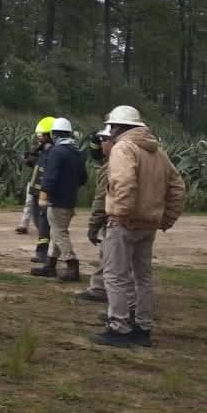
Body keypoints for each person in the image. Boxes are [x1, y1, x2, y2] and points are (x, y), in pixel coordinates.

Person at [93, 105, 187, 348]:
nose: (110, 131)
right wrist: (166, 219)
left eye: (112, 126)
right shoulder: (158, 153)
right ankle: (142, 327)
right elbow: (177, 187)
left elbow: (123, 182)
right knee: (143, 278)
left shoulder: (123, 148)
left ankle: (119, 327)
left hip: (125, 223)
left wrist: (120, 214)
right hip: (149, 224)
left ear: (118, 127)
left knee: (115, 276)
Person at [32, 117, 87, 281]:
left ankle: (72, 264)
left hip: (57, 200)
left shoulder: (56, 152)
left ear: (54, 135)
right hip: (70, 200)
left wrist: (43, 195)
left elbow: (50, 176)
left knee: (59, 233)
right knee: (57, 232)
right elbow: (83, 178)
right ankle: (50, 265)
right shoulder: (77, 152)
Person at [77, 128, 114, 303]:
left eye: (104, 140)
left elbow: (101, 200)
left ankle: (121, 304)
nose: (101, 145)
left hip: (115, 220)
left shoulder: (112, 167)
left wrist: (93, 226)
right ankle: (100, 287)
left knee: (111, 257)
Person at [25, 117, 55, 262]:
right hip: (35, 192)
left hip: (44, 193)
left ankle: (43, 253)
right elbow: (36, 165)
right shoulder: (42, 150)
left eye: (42, 135)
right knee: (38, 221)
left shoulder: (53, 152)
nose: (39, 138)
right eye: (39, 135)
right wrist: (30, 157)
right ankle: (44, 251)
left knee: (44, 223)